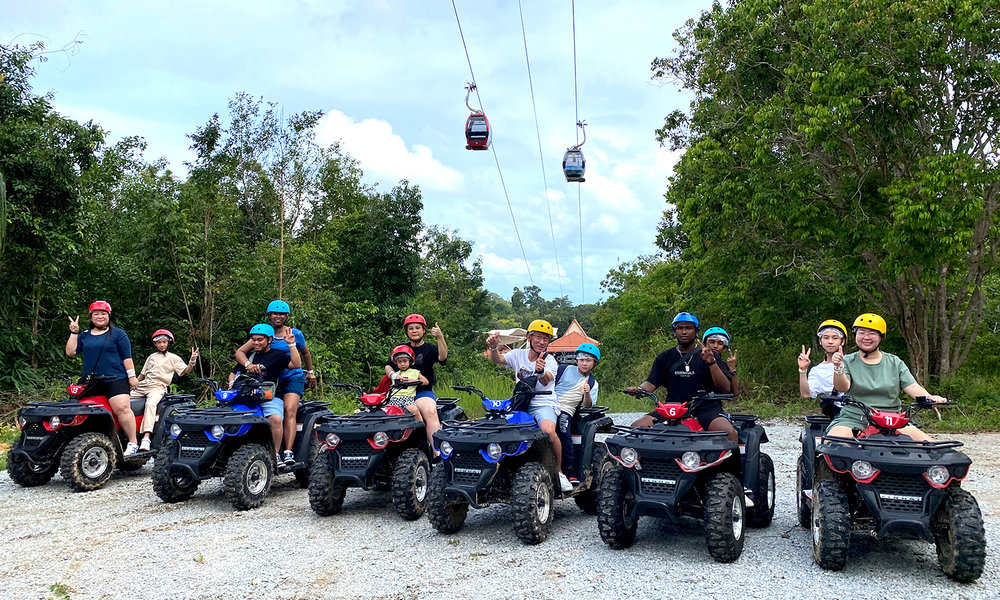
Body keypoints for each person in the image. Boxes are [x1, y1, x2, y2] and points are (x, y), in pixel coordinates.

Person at [829, 313, 946, 441]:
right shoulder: (847, 361)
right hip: (855, 418)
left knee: (933, 450)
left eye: (872, 333)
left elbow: (912, 386)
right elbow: (842, 387)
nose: (866, 337)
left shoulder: (895, 362)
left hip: (893, 420)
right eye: (861, 332)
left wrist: (929, 398)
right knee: (832, 443)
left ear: (881, 337)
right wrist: (838, 366)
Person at [486, 319, 572, 492]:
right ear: (529, 337)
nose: (542, 342)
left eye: (546, 339)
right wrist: (494, 348)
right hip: (521, 402)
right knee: (498, 428)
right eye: (538, 337)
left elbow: (547, 379)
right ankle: (498, 471)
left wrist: (540, 371)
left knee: (548, 430)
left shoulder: (551, 361)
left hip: (543, 402)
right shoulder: (518, 354)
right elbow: (498, 360)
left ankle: (559, 471)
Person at [628, 312, 735, 439]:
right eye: (680, 328)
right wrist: (639, 390)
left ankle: (732, 459)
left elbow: (725, 389)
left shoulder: (710, 355)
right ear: (674, 331)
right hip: (671, 409)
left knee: (729, 433)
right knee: (635, 429)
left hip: (706, 409)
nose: (684, 332)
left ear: (696, 332)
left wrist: (711, 362)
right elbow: (651, 383)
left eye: (688, 328)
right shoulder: (665, 357)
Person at [236, 300, 315, 466]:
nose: (277, 316)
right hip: (270, 378)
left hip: (292, 375)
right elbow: (241, 352)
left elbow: (305, 354)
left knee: (289, 410)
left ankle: (287, 451)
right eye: (274, 313)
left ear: (286, 316)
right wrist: (248, 365)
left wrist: (310, 372)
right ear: (269, 315)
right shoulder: (264, 334)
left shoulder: (295, 334)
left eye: (281, 314)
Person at [65, 301, 141, 456]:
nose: (100, 316)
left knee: (122, 408)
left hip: (115, 378)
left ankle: (133, 442)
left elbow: (127, 358)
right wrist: (74, 332)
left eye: (103, 313)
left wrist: (132, 377)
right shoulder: (85, 335)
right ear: (91, 316)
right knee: (76, 410)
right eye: (96, 313)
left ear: (109, 315)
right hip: (90, 380)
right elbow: (71, 352)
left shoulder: (119, 334)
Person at [383, 314, 448, 454]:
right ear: (406, 331)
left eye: (418, 328)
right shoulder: (401, 348)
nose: (414, 330)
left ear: (424, 330)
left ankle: (437, 452)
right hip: (400, 391)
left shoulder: (430, 349)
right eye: (410, 328)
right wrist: (393, 375)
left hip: (421, 391)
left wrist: (440, 337)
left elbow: (442, 358)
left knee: (430, 412)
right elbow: (388, 365)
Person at [131, 329, 199, 450]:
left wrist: (192, 361)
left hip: (158, 387)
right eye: (159, 342)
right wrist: (133, 383)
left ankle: (146, 437)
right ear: (155, 344)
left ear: (168, 343)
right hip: (144, 384)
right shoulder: (151, 357)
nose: (162, 345)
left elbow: (185, 371)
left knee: (151, 403)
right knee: (123, 399)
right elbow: (142, 375)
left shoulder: (173, 358)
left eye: (164, 342)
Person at [553, 343, 601, 483]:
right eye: (581, 359)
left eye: (588, 360)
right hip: (550, 404)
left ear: (594, 363)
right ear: (577, 360)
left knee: (563, 431)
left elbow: (588, 405)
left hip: (566, 409)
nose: (584, 363)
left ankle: (569, 469)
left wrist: (586, 392)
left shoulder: (592, 383)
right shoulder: (563, 369)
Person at [798, 319, 848, 417]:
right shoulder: (817, 370)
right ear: (820, 341)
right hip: (839, 414)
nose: (830, 342)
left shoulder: (852, 361)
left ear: (842, 341)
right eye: (826, 338)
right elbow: (806, 394)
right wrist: (803, 370)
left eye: (835, 338)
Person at [386, 345, 429, 410]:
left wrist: (412, 381)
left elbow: (426, 381)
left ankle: (420, 420)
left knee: (414, 409)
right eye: (399, 362)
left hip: (407, 398)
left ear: (410, 361)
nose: (402, 364)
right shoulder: (396, 374)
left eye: (405, 361)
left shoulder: (415, 372)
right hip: (394, 398)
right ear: (396, 363)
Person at [702, 327, 738, 395]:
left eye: (720, 343)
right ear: (705, 344)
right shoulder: (697, 360)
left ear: (724, 348)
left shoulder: (722, 364)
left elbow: (735, 392)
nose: (715, 346)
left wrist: (732, 369)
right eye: (712, 342)